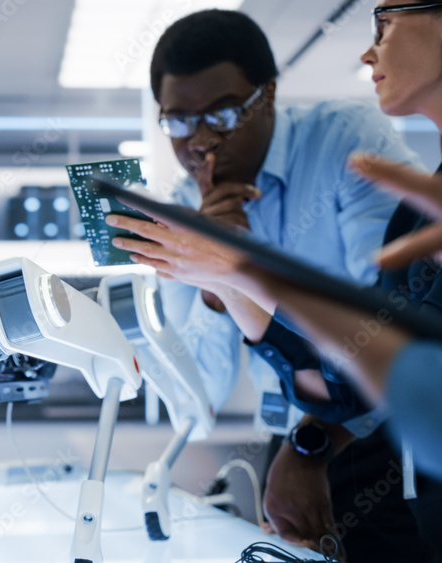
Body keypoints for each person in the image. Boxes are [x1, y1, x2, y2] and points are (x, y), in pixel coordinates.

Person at [121, 8, 433, 561]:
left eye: (220, 115)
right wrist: (216, 289)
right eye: (177, 121)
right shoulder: (185, 213)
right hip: (293, 427)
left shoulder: (344, 140)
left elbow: (381, 321)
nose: (198, 141)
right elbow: (198, 403)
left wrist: (241, 266)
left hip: (379, 425)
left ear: (266, 96)